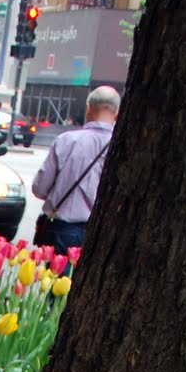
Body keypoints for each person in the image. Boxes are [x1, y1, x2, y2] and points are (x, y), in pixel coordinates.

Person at [31, 85, 120, 254]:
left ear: (89, 109)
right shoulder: (122, 148)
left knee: (58, 279)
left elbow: (39, 189)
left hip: (62, 232)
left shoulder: (65, 141)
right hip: (102, 233)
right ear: (117, 112)